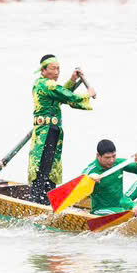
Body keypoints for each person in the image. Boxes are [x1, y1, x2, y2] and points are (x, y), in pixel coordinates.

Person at [29, 54, 95, 201]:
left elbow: (61, 94)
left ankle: (47, 199)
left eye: (59, 69)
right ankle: (37, 201)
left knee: (51, 168)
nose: (57, 72)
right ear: (43, 71)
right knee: (43, 168)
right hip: (46, 133)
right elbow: (68, 97)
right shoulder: (46, 84)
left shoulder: (46, 85)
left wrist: (72, 81)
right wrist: (87, 95)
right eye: (53, 69)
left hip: (51, 131)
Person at [83, 139, 137, 213]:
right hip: (100, 210)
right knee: (123, 213)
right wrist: (89, 177)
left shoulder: (118, 163)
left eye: (114, 156)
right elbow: (80, 181)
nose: (112, 160)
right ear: (98, 156)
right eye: (107, 157)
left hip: (119, 207)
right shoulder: (91, 170)